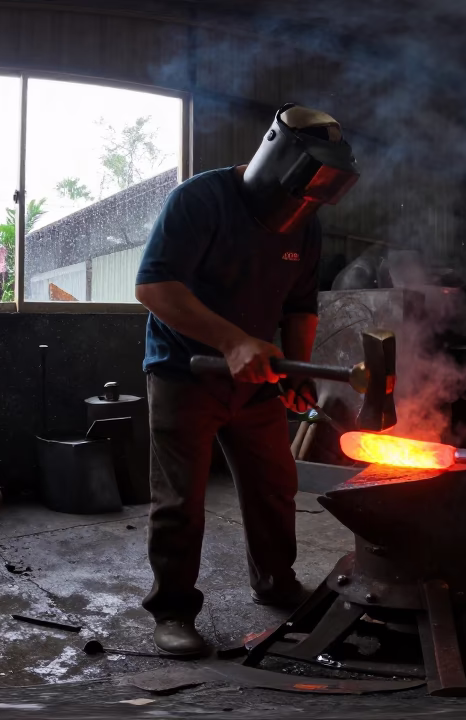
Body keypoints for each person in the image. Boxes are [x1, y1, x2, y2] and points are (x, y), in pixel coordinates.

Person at [133, 104, 359, 655]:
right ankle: (172, 610)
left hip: (257, 378)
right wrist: (233, 341)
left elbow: (301, 306)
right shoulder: (199, 199)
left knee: (274, 485)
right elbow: (154, 287)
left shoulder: (305, 224)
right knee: (180, 500)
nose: (303, 206)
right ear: (275, 155)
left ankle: (276, 582)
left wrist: (296, 370)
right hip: (185, 371)